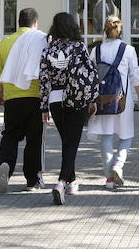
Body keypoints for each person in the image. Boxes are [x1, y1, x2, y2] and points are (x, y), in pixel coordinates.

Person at [39, 12, 99, 205]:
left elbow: (43, 79)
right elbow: (88, 74)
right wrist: (92, 99)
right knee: (71, 143)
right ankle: (61, 182)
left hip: (55, 100)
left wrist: (43, 107)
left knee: (67, 141)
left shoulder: (48, 49)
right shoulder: (79, 47)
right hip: (76, 98)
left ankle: (72, 182)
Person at [0, 7, 48, 193]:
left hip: (12, 98)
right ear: (35, 23)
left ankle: (5, 165)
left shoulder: (6, 42)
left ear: (19, 22)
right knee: (34, 139)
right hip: (35, 97)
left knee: (10, 136)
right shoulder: (42, 39)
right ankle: (32, 180)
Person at [86, 16, 139, 190]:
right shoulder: (128, 50)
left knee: (106, 137)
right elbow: (135, 77)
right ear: (121, 30)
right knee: (126, 136)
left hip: (101, 101)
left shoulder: (95, 50)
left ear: (104, 30)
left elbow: (90, 76)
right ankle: (118, 165)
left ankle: (109, 179)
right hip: (122, 102)